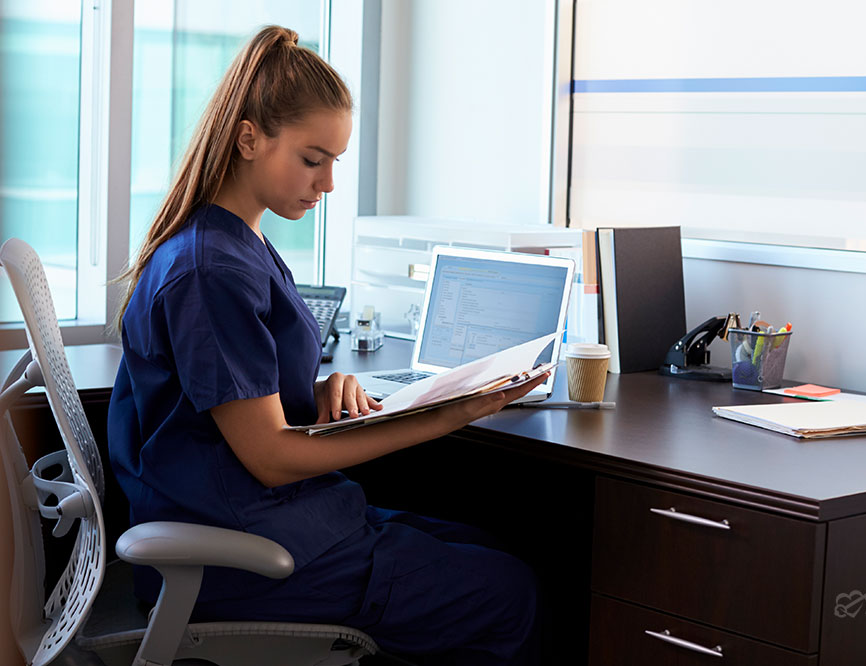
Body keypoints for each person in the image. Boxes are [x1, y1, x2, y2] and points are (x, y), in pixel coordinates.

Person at [108, 25, 544, 666]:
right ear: (250, 138)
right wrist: (446, 414)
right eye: (314, 160)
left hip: (279, 522)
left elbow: (225, 400)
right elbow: (270, 456)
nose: (329, 184)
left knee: (493, 547)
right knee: (514, 594)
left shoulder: (238, 243)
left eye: (334, 161)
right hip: (241, 557)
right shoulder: (212, 269)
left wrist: (314, 391)